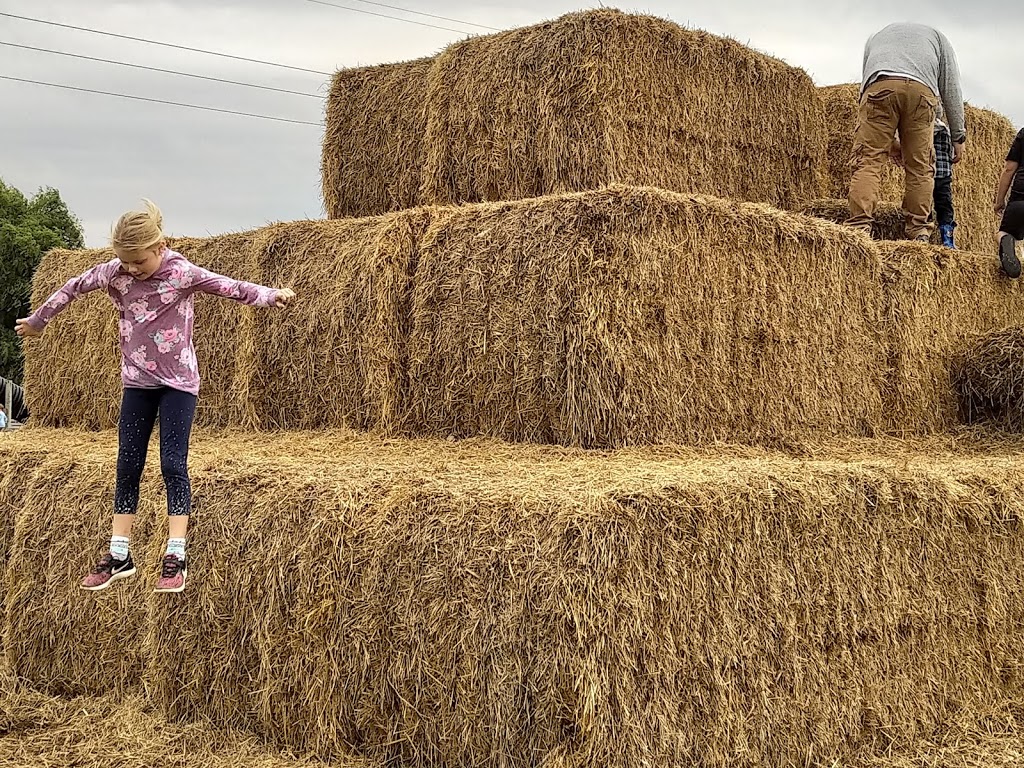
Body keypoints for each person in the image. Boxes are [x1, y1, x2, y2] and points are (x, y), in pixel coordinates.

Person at [15, 200, 296, 593]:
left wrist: (270, 296)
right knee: (126, 466)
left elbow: (229, 286)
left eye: (138, 261)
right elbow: (72, 288)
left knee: (171, 464)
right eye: (125, 261)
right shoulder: (115, 273)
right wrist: (38, 321)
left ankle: (176, 553)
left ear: (159, 247)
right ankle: (119, 554)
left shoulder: (181, 272)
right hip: (137, 382)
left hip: (179, 384)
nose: (131, 269)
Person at [847, 23, 966, 242]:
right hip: (922, 92)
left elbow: (865, 87)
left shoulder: (876, 36)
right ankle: (918, 231)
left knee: (869, 161)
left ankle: (859, 228)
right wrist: (958, 135)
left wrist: (889, 140)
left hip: (880, 86)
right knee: (920, 167)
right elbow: (951, 89)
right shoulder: (939, 38)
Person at [994, 127, 1024, 277]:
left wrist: (999, 201)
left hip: (1020, 197)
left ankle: (1006, 239)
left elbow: (1009, 169)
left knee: (1004, 233)